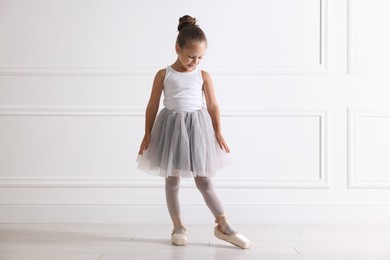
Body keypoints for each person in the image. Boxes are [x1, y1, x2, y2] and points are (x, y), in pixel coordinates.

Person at [137, 15, 251, 249]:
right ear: (177, 48)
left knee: (204, 180)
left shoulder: (203, 76)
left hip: (197, 129)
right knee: (172, 179)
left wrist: (218, 132)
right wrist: (147, 133)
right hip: (171, 128)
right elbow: (152, 105)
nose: (195, 62)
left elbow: (212, 106)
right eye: (191, 56)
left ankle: (223, 224)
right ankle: (178, 225)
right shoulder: (164, 74)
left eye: (200, 57)